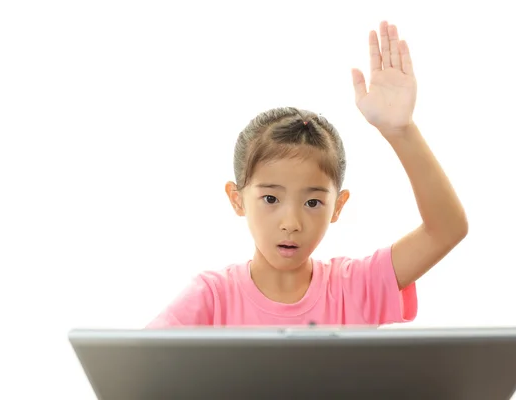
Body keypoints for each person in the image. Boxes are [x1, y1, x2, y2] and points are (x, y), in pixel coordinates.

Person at [146, 20, 468, 328]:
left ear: (337, 206)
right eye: (270, 198)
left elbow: (446, 230)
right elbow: (136, 370)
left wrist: (402, 131)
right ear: (237, 198)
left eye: (313, 203)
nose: (292, 223)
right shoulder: (211, 298)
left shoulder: (354, 288)